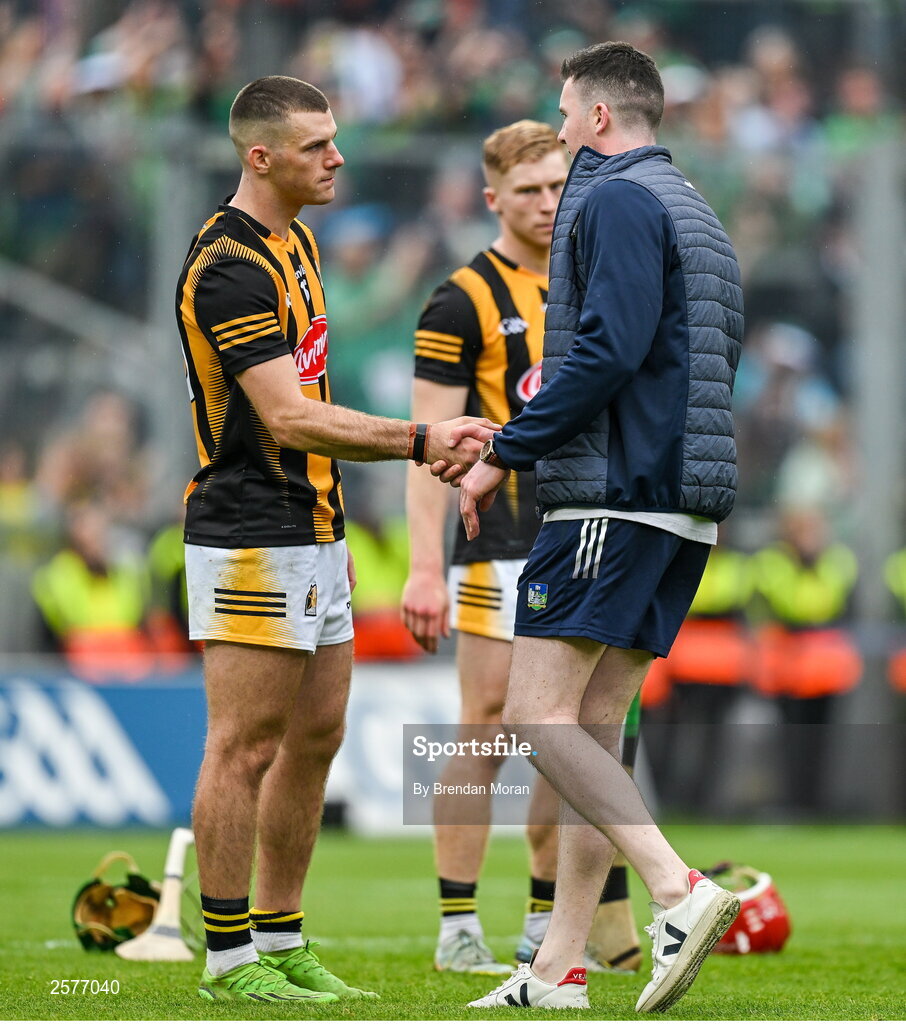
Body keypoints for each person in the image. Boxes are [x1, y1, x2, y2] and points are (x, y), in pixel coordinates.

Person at [175, 75, 496, 1005]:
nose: (338, 157)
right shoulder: (227, 264)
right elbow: (286, 416)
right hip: (249, 528)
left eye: (336, 138)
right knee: (244, 743)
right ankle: (230, 959)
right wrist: (418, 439)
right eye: (317, 144)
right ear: (259, 155)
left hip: (317, 526)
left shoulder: (300, 241)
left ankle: (282, 937)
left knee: (316, 735)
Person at [443, 43, 745, 1013]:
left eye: (567, 114)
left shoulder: (614, 197)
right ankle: (558, 966)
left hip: (611, 495)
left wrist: (506, 450)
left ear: (601, 118)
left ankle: (675, 888)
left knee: (534, 717)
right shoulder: (695, 208)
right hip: (678, 505)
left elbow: (606, 349)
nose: (564, 129)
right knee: (592, 732)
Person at [401, 119, 640, 977]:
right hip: (491, 531)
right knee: (491, 721)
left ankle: (547, 918)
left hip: (583, 528)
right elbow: (425, 443)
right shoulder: (460, 297)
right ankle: (457, 918)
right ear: (493, 197)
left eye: (557, 186)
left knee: (565, 729)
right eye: (529, 191)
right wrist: (423, 563)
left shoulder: (600, 277)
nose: (547, 204)